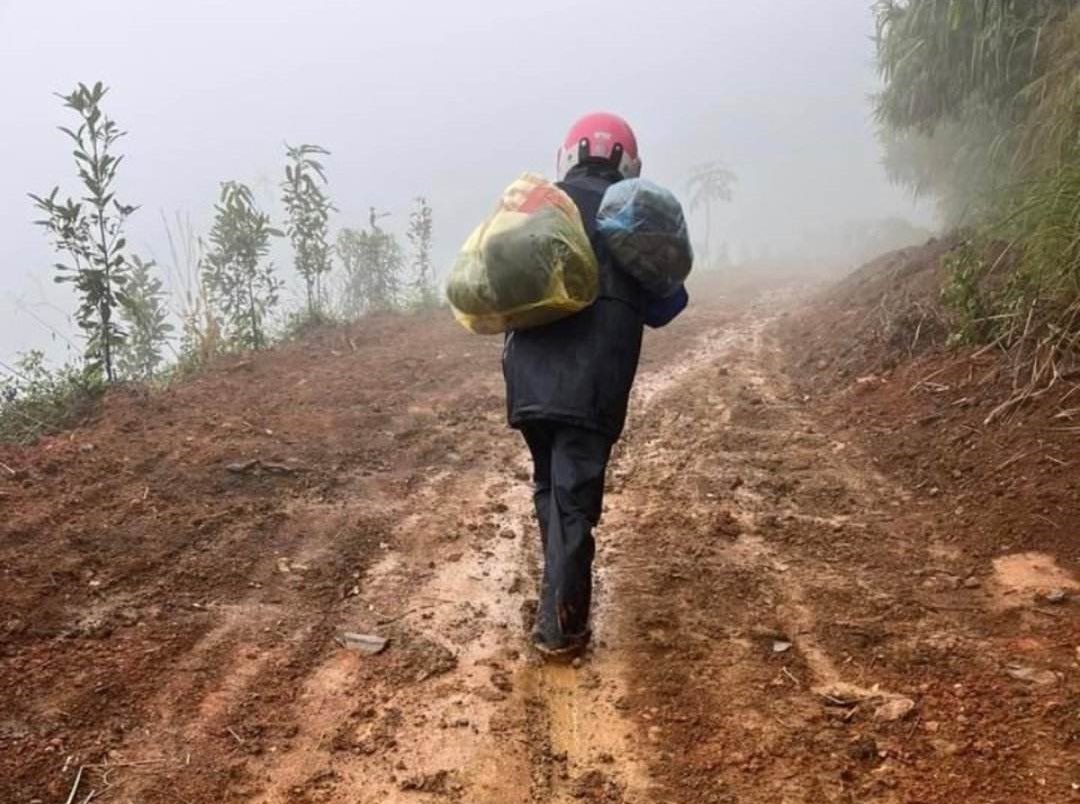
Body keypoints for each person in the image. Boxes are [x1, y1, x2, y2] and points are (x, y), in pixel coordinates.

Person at [502, 112, 655, 658]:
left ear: (568, 155)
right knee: (573, 498)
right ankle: (560, 626)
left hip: (528, 378)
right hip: (593, 381)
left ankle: (556, 595)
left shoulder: (540, 205)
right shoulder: (636, 213)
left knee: (550, 485)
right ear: (627, 161)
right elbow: (666, 305)